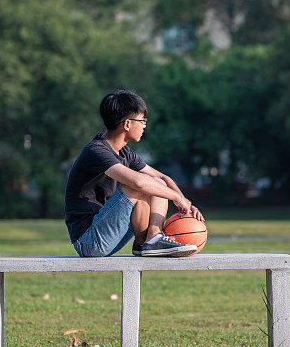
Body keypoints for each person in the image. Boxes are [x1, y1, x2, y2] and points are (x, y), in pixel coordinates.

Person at [65, 89, 205, 257]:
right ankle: (152, 241)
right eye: (142, 120)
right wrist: (177, 198)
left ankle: (150, 240)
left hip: (107, 232)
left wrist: (186, 203)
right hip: (89, 241)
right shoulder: (96, 151)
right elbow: (138, 183)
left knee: (156, 183)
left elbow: (162, 178)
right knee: (138, 183)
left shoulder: (124, 152)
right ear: (127, 124)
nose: (145, 124)